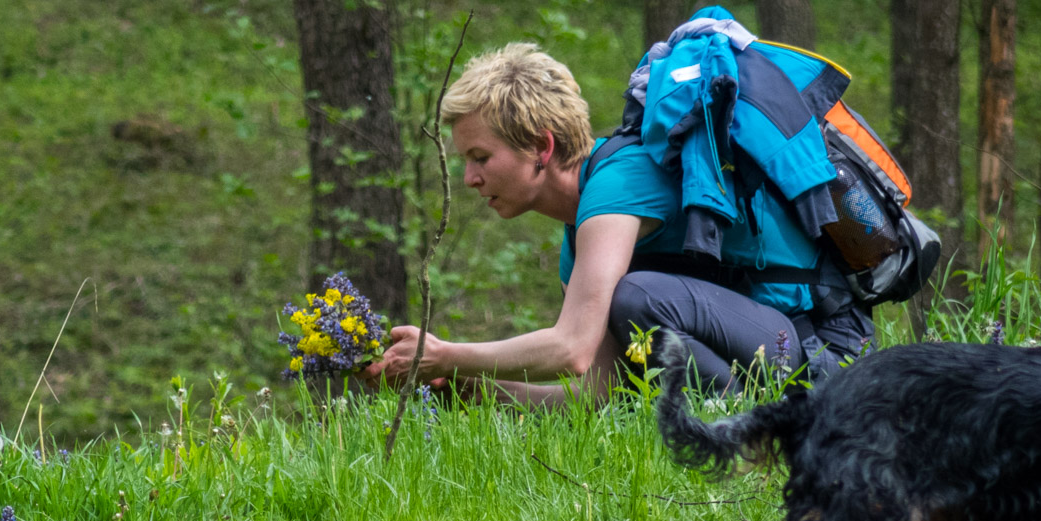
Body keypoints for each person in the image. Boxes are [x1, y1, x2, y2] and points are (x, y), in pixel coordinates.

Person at [367, 41, 874, 404]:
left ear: (542, 147)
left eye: (481, 157)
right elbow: (599, 388)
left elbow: (570, 350)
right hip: (768, 351)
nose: (470, 178)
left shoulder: (618, 184)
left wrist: (447, 354)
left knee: (639, 297)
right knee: (635, 347)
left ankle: (756, 420)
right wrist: (473, 389)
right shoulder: (582, 233)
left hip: (821, 351)